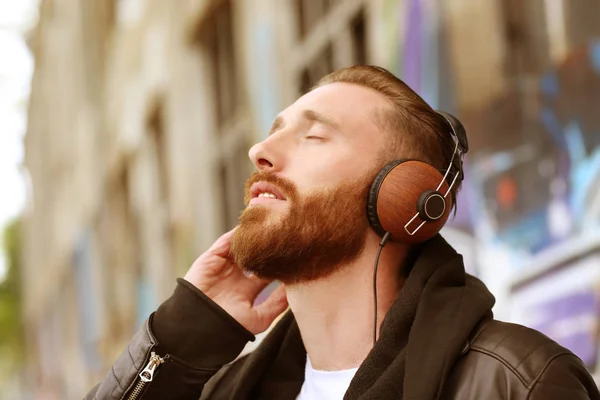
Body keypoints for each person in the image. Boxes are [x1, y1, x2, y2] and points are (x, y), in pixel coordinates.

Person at [86, 66, 600, 400]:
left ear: (403, 197)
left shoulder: (518, 383)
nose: (259, 152)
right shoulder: (228, 390)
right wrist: (181, 337)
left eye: (313, 136)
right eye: (273, 130)